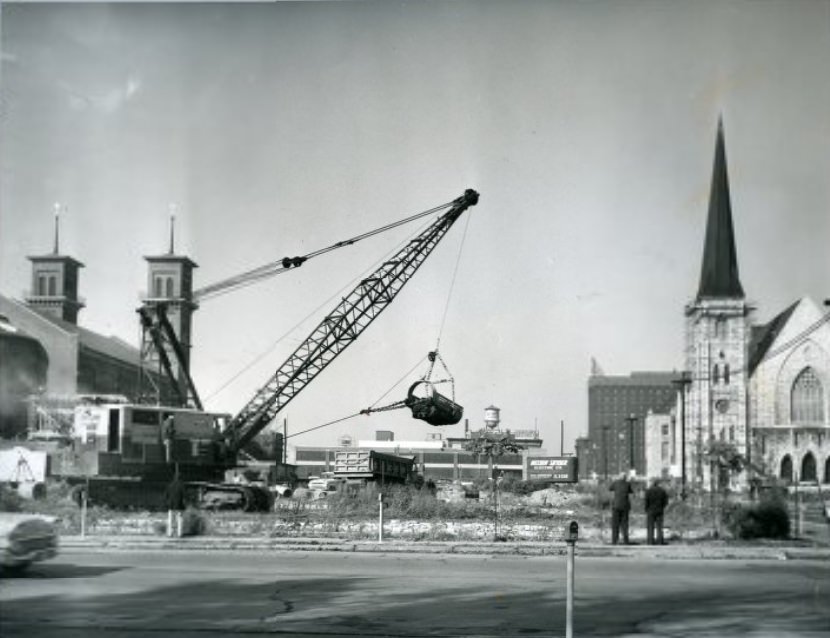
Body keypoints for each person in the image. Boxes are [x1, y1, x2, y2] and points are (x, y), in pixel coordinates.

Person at [609, 472, 633, 544]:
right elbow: (631, 492)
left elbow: (610, 488)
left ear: (619, 477)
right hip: (625, 506)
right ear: (625, 477)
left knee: (615, 524)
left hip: (616, 506)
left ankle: (614, 540)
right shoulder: (627, 484)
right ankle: (626, 541)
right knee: (625, 524)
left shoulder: (615, 483)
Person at [645, 478, 669, 545]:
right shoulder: (662, 491)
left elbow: (646, 501)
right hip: (659, 510)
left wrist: (646, 509)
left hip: (650, 510)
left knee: (650, 526)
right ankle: (660, 541)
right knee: (659, 527)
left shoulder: (649, 491)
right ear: (658, 483)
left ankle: (650, 541)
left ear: (652, 483)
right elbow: (666, 501)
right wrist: (662, 507)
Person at [165, 467, 186, 538]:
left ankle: (170, 533)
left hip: (171, 505)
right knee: (180, 520)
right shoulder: (182, 485)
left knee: (170, 520)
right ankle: (179, 534)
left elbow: (166, 495)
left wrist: (167, 502)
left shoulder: (170, 485)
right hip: (179, 505)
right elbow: (184, 495)